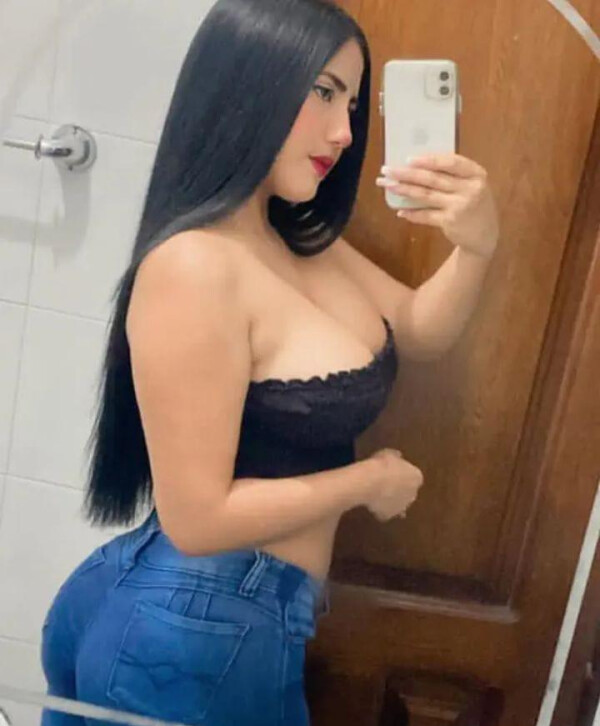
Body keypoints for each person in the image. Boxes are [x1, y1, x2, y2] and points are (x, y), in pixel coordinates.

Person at [40, 1, 425, 725]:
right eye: (323, 92)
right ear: (248, 86)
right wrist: (367, 481)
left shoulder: (286, 241)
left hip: (192, 618)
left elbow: (423, 326)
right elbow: (197, 519)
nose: (345, 133)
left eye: (351, 103)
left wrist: (479, 241)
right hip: (196, 631)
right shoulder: (195, 265)